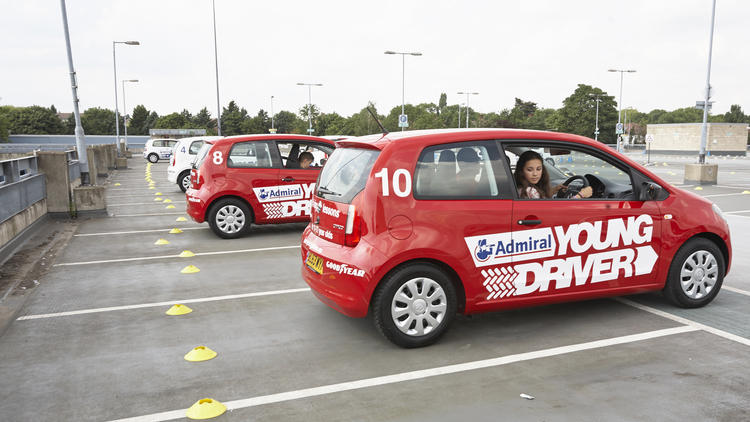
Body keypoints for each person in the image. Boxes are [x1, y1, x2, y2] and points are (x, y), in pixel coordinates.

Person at [513, 150, 592, 199]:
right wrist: (580, 195)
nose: (535, 174)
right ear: (521, 171)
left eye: (538, 169)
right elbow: (551, 212)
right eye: (529, 170)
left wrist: (554, 190)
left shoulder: (521, 187)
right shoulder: (530, 191)